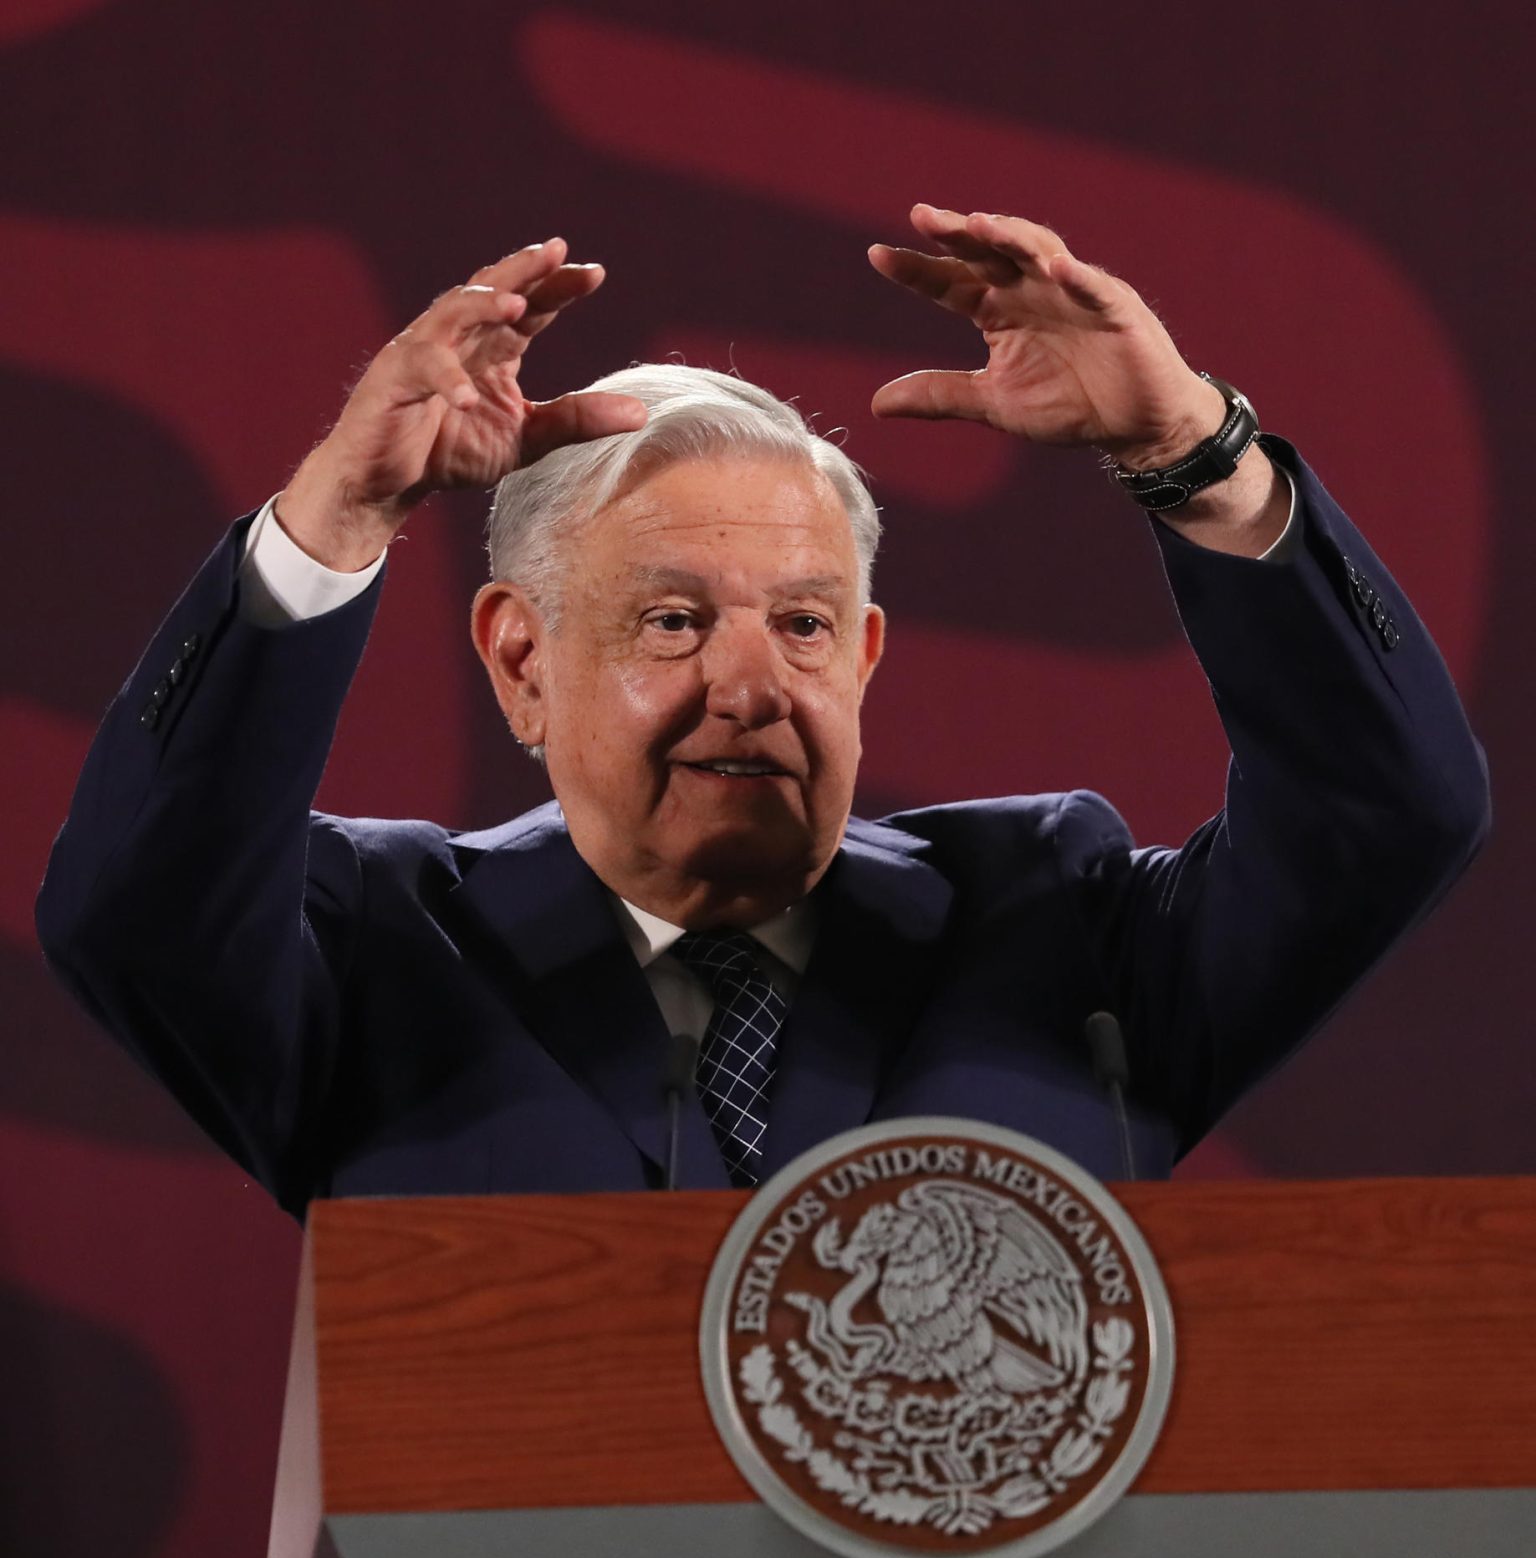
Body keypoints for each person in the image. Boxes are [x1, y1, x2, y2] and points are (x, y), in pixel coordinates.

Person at [35, 206, 1489, 1219]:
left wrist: (1194, 453)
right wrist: (335, 516)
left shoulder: (1061, 923)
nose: (750, 683)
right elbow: (132, 907)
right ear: (520, 660)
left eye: (800, 624)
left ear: (861, 656)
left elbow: (1390, 810)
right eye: (673, 620)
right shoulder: (372, 948)